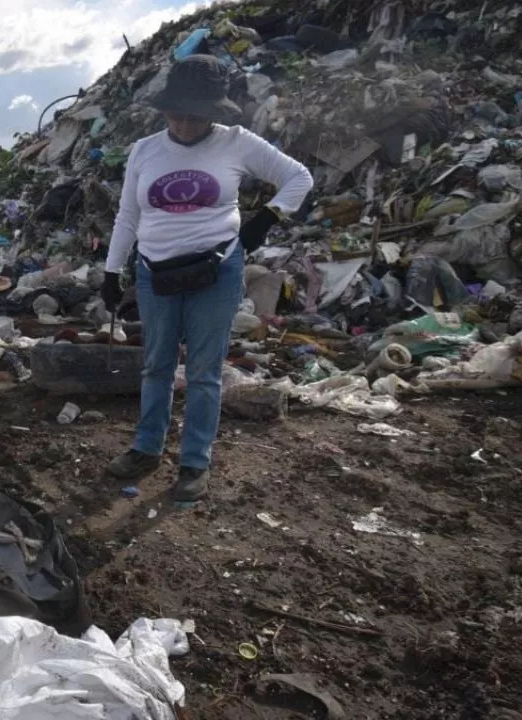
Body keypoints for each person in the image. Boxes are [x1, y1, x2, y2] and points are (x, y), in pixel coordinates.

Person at [101, 55, 313, 503]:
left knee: (203, 370)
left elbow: (299, 177)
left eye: (192, 117)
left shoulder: (238, 143)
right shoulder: (145, 149)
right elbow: (128, 214)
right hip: (155, 272)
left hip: (215, 271)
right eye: (173, 115)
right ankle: (146, 448)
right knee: (156, 364)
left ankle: (195, 461)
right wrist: (111, 269)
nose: (181, 125)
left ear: (214, 112)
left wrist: (268, 217)